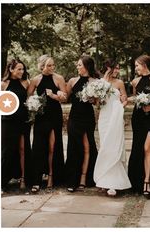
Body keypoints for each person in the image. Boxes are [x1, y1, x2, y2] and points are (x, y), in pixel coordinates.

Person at [28, 55, 66, 193]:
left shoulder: (59, 78)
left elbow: (64, 97)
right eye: (49, 65)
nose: (52, 68)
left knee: (53, 146)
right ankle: (36, 180)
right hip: (40, 116)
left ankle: (51, 176)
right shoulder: (35, 80)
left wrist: (54, 96)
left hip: (55, 115)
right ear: (42, 66)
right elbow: (28, 96)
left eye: (53, 65)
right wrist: (33, 104)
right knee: (38, 146)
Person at [128, 55, 150, 199]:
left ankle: (148, 180)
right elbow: (135, 99)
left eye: (137, 65)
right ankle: (136, 181)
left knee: (148, 147)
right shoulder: (135, 81)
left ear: (144, 65)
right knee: (138, 147)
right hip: (137, 117)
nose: (135, 68)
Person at [93, 59, 131, 196]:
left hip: (115, 116)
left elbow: (124, 98)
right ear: (108, 68)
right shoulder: (100, 83)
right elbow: (97, 104)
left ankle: (115, 182)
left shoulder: (119, 83)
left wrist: (122, 104)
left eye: (118, 68)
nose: (117, 71)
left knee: (115, 146)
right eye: (115, 68)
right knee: (105, 146)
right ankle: (104, 180)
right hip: (104, 117)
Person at [65, 55, 98, 192]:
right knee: (73, 148)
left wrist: (93, 99)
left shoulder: (96, 82)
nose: (77, 67)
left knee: (87, 146)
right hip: (74, 117)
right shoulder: (72, 81)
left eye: (79, 65)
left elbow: (97, 102)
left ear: (87, 66)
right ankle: (72, 180)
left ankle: (85, 178)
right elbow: (65, 98)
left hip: (87, 117)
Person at [1, 58, 32, 191]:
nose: (21, 71)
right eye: (19, 69)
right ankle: (2, 181)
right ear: (11, 69)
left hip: (23, 121)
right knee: (7, 151)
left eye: (23, 69)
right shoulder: (3, 84)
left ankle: (23, 179)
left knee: (23, 149)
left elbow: (30, 100)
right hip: (8, 122)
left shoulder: (26, 83)